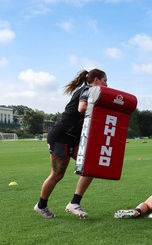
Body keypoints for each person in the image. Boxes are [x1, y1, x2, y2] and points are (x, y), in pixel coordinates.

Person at [34, 69, 108, 219]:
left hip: (73, 137)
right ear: (96, 80)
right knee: (58, 174)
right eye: (105, 80)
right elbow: (82, 108)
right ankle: (41, 206)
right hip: (61, 136)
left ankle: (74, 203)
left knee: (91, 167)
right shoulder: (88, 89)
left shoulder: (93, 91)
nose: (106, 84)